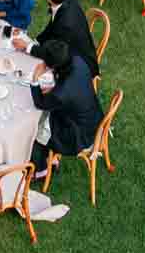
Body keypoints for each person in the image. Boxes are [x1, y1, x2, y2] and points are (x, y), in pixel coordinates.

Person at [31, 37, 101, 173]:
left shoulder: (62, 93)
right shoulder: (77, 60)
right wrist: (55, 89)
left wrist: (35, 78)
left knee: (35, 131)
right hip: (92, 117)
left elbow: (40, 103)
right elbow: (68, 86)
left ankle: (42, 169)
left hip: (77, 134)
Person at [14, 0, 99, 79]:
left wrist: (27, 46)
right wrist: (36, 41)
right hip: (72, 47)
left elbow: (54, 54)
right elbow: (52, 25)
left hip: (78, 66)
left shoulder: (65, 25)